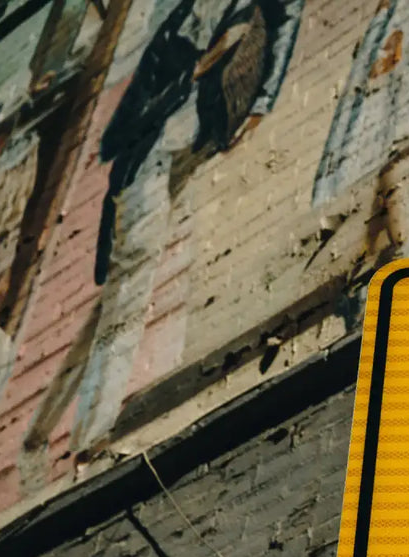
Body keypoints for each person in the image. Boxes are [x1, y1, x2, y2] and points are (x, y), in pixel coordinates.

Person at [65, 0, 304, 454]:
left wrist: (262, 102)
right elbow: (151, 49)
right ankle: (92, 432)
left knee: (127, 285)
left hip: (205, 129)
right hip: (154, 137)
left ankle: (64, 426)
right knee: (131, 277)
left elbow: (285, 16)